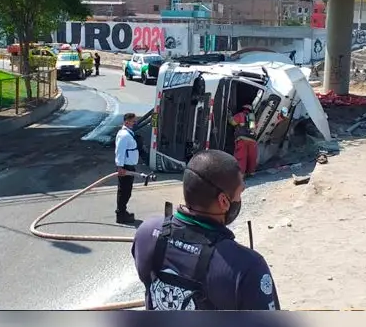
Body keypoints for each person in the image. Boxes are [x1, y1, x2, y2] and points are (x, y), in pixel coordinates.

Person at [131, 150, 281, 310]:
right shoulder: (246, 266)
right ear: (224, 201)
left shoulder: (147, 233)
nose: (239, 200)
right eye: (239, 193)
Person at [114, 112, 139, 225]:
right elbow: (120, 151)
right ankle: (121, 214)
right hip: (125, 167)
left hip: (128, 166)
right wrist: (120, 167)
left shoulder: (127, 133)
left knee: (126, 191)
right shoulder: (124, 135)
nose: (135, 123)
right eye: (133, 121)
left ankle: (122, 211)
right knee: (124, 191)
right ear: (126, 122)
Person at [230, 104, 258, 176]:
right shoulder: (252, 118)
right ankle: (251, 172)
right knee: (251, 157)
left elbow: (233, 122)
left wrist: (229, 116)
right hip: (252, 140)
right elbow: (254, 128)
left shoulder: (240, 115)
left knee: (241, 156)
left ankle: (241, 174)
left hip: (242, 139)